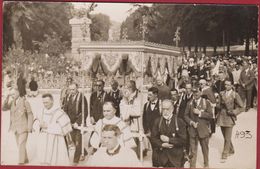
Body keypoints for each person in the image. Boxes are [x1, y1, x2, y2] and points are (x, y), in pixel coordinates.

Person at [33, 93, 72, 166]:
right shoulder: (40, 111)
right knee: (44, 159)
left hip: (56, 139)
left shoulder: (59, 112)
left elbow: (64, 128)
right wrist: (39, 125)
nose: (45, 104)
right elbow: (35, 122)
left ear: (52, 101)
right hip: (43, 140)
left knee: (56, 161)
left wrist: (48, 126)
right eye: (43, 102)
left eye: (47, 102)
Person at [150, 99, 187, 167]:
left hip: (175, 159)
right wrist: (162, 144)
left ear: (172, 109)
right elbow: (153, 139)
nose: (165, 112)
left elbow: (184, 140)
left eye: (167, 109)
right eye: (163, 109)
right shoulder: (158, 121)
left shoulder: (179, 122)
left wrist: (169, 140)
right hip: (161, 158)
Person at [184, 87, 213, 168]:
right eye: (193, 92)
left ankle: (206, 164)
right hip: (192, 130)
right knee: (193, 150)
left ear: (201, 92)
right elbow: (185, 115)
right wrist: (191, 122)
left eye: (197, 92)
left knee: (205, 149)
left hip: (203, 130)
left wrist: (200, 113)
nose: (195, 94)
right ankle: (192, 166)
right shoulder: (189, 103)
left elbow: (211, 115)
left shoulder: (206, 103)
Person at [216, 80, 244, 162]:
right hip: (221, 117)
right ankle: (231, 149)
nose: (226, 86)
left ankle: (225, 154)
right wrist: (216, 104)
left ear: (232, 85)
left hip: (229, 117)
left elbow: (242, 107)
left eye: (228, 85)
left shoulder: (235, 94)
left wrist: (234, 112)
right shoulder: (221, 93)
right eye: (225, 84)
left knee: (227, 137)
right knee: (225, 136)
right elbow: (219, 105)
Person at [62, 83, 88, 165]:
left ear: (77, 88)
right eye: (70, 89)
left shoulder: (82, 97)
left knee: (78, 141)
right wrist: (66, 121)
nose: (72, 91)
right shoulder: (67, 97)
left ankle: (75, 160)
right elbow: (65, 109)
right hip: (70, 122)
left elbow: (85, 111)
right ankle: (85, 152)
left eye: (73, 89)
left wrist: (78, 122)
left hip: (78, 123)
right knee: (73, 140)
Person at [9, 88, 33, 164]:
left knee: (21, 143)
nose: (12, 96)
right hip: (15, 127)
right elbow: (3, 107)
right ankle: (25, 159)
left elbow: (30, 114)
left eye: (13, 94)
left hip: (24, 127)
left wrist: (29, 126)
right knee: (19, 144)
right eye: (11, 94)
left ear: (18, 92)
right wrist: (6, 97)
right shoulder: (12, 102)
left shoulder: (25, 102)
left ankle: (21, 162)